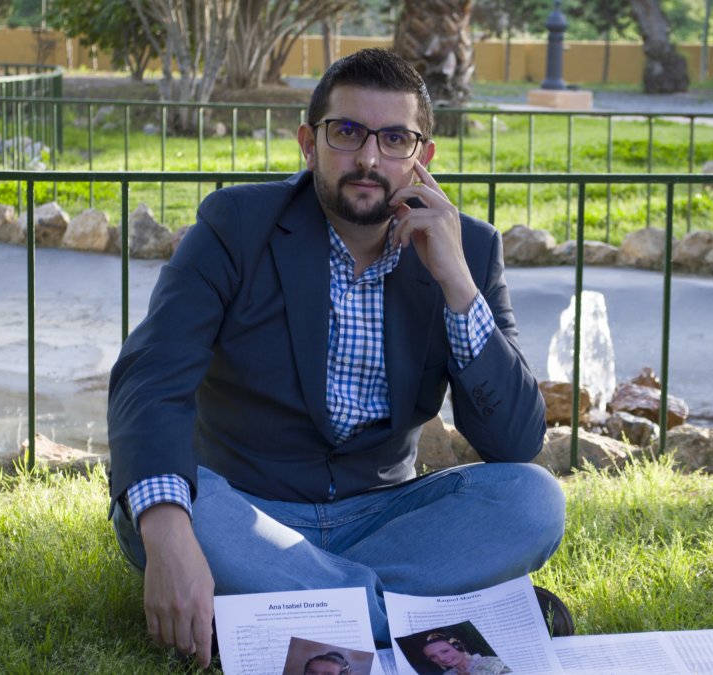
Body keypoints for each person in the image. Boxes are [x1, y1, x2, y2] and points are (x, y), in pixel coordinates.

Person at [107, 48, 566, 667]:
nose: (369, 159)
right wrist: (168, 536)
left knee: (532, 498)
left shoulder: (470, 249)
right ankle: (435, 617)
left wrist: (458, 284)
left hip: (384, 513)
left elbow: (514, 440)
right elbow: (151, 379)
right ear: (309, 142)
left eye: (395, 138)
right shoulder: (235, 226)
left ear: (422, 157)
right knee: (177, 509)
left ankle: (278, 615)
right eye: (346, 132)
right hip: (246, 509)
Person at [421, 632, 511, 675]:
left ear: (459, 646)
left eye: (445, 651)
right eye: (433, 657)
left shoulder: (493, 663)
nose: (441, 658)